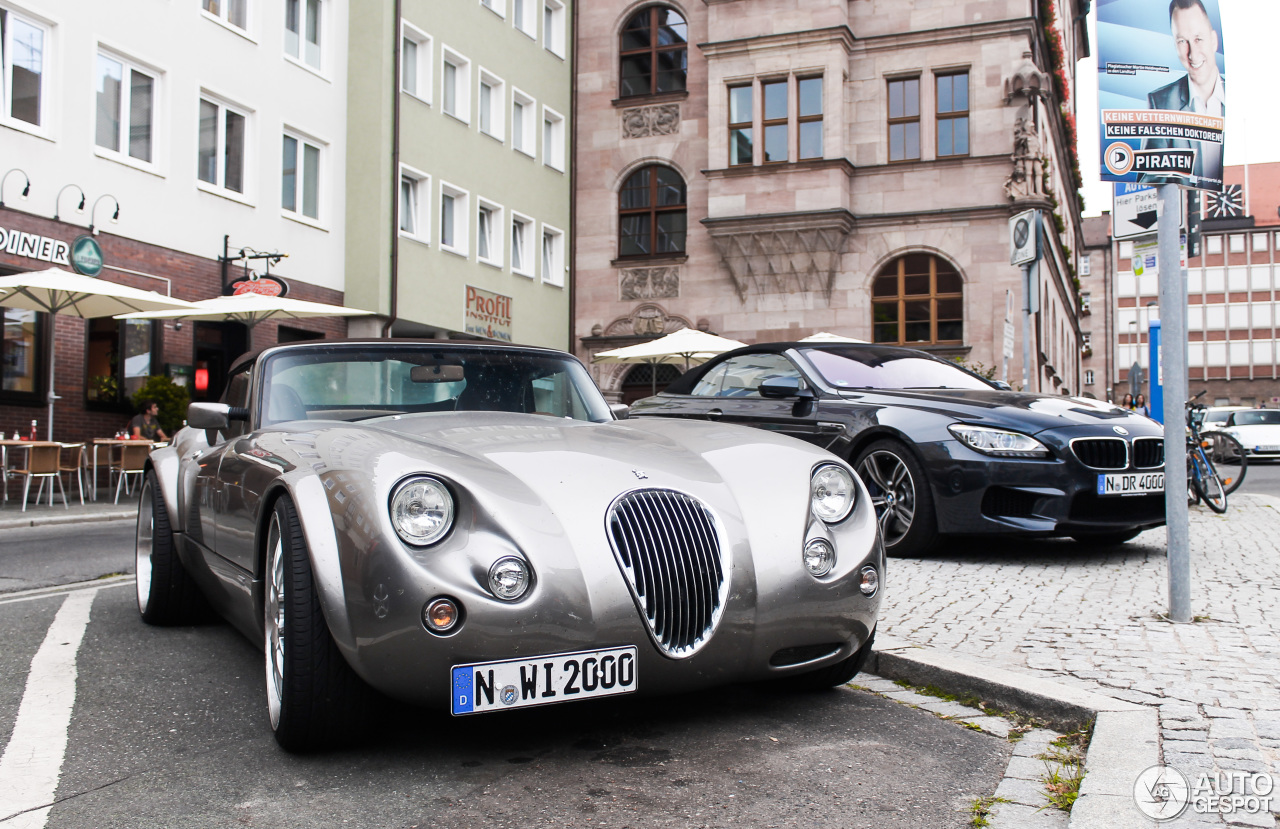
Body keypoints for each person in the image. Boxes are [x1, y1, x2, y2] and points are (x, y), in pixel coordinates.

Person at [1139, 0, 1225, 187]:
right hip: (1180, 210)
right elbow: (1149, 182)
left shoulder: (1238, 104)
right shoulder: (1160, 103)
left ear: (1214, 40)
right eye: (1182, 41)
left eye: (1198, 39)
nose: (1192, 54)